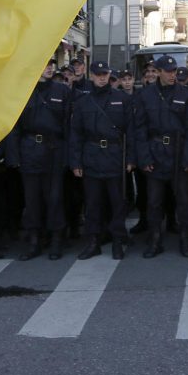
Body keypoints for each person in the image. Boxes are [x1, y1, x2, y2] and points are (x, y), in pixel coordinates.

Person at [133, 55, 188, 257]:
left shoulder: (187, 94)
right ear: (159, 71)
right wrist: (144, 159)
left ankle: (185, 239)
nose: (173, 75)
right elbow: (140, 130)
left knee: (184, 200)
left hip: (179, 154)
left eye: (175, 71)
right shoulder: (146, 95)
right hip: (155, 154)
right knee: (154, 202)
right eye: (169, 71)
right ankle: (155, 240)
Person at [69, 60, 135, 260]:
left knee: (117, 202)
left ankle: (117, 240)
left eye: (105, 74)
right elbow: (76, 134)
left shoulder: (121, 98)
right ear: (91, 75)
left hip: (115, 156)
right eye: (98, 74)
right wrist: (76, 162)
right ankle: (93, 242)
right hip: (91, 157)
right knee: (93, 204)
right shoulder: (83, 101)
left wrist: (131, 158)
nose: (102, 77)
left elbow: (130, 131)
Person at [7, 61, 71, 260]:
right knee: (32, 199)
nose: (50, 68)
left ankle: (55, 239)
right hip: (30, 151)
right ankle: (34, 240)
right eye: (44, 64)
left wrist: (69, 156)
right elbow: (14, 127)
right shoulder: (23, 91)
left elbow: (69, 125)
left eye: (52, 64)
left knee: (54, 198)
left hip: (54, 151)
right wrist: (13, 156)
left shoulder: (62, 91)